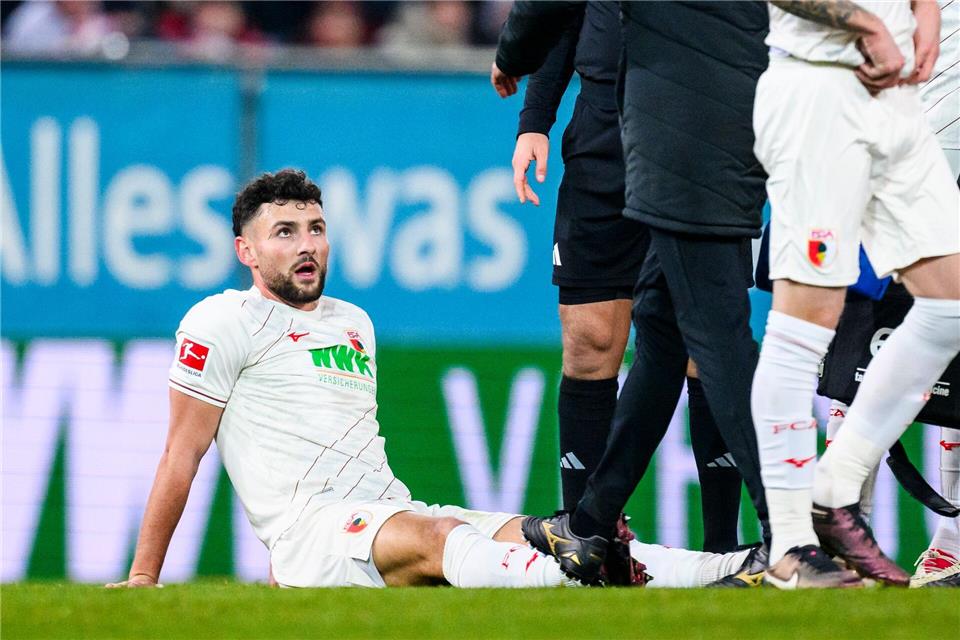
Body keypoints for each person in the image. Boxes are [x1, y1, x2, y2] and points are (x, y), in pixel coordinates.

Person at [105, 169, 750, 589]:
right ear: (246, 251)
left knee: (566, 530)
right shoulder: (222, 320)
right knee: (454, 541)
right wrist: (143, 578)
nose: (307, 245)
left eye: (317, 229)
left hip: (387, 512)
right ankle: (571, 576)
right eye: (284, 233)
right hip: (312, 532)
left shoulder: (353, 322)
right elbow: (180, 456)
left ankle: (733, 568)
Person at [493, 1, 773, 586]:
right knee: (613, 338)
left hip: (696, 129)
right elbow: (563, 10)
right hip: (609, 130)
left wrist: (513, 52)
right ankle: (592, 535)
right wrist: (535, 118)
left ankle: (738, 542)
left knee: (704, 343)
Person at [750, 0, 960, 588]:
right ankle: (792, 546)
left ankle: (833, 487)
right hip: (819, 90)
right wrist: (867, 23)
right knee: (805, 321)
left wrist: (923, 13)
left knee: (950, 302)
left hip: (894, 98)